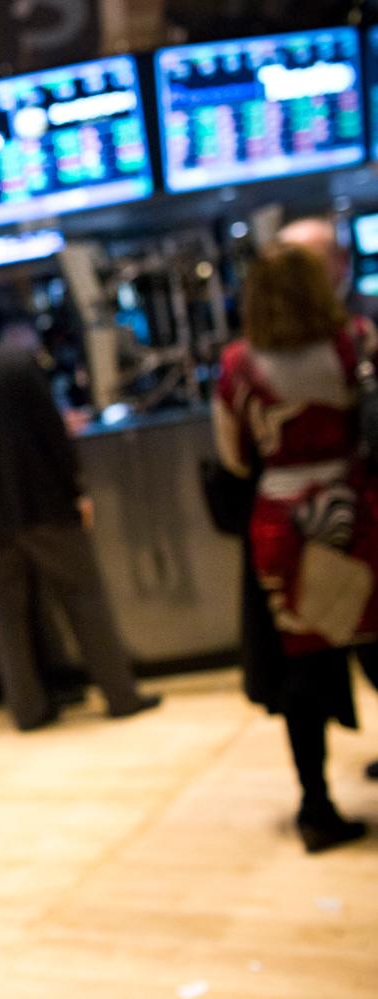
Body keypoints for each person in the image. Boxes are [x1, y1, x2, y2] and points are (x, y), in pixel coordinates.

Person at [0, 289, 161, 731]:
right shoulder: (16, 364)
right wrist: (75, 489)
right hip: (44, 506)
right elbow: (52, 434)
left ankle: (27, 710)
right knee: (83, 599)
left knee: (7, 618)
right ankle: (120, 695)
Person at [213, 243, 375, 853]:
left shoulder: (236, 366)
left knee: (304, 671)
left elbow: (233, 458)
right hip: (360, 515)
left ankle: (316, 806)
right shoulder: (356, 342)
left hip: (282, 530)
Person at [277, 215, 378, 783]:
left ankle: (316, 800)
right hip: (324, 524)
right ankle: (315, 799)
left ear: (340, 263)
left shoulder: (364, 328)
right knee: (311, 666)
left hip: (344, 517)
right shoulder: (355, 337)